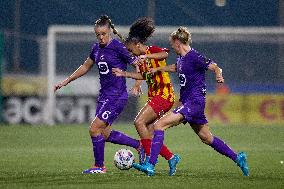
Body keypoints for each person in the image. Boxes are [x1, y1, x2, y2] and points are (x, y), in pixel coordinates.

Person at [135, 26, 249, 177]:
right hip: (188, 103)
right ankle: (238, 157)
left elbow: (214, 66)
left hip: (194, 103)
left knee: (159, 125)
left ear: (177, 42)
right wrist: (158, 70)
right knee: (206, 137)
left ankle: (151, 165)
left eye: (172, 43)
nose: (171, 46)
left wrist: (218, 75)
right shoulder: (181, 59)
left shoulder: (194, 56)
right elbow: (176, 67)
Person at [54, 15, 145, 174]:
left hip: (117, 96)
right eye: (98, 35)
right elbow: (85, 66)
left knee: (94, 129)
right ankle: (139, 145)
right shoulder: (96, 48)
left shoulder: (118, 47)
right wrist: (66, 81)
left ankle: (99, 166)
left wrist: (137, 85)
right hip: (104, 96)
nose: (101, 37)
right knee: (105, 133)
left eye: (103, 34)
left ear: (109, 32)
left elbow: (137, 65)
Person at [112, 17, 180, 176]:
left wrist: (146, 57)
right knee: (148, 132)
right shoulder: (140, 60)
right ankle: (171, 157)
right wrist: (124, 74)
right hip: (155, 97)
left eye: (130, 50)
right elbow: (142, 75)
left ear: (137, 45)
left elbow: (165, 54)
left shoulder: (151, 51)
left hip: (164, 95)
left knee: (139, 121)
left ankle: (149, 160)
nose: (130, 53)